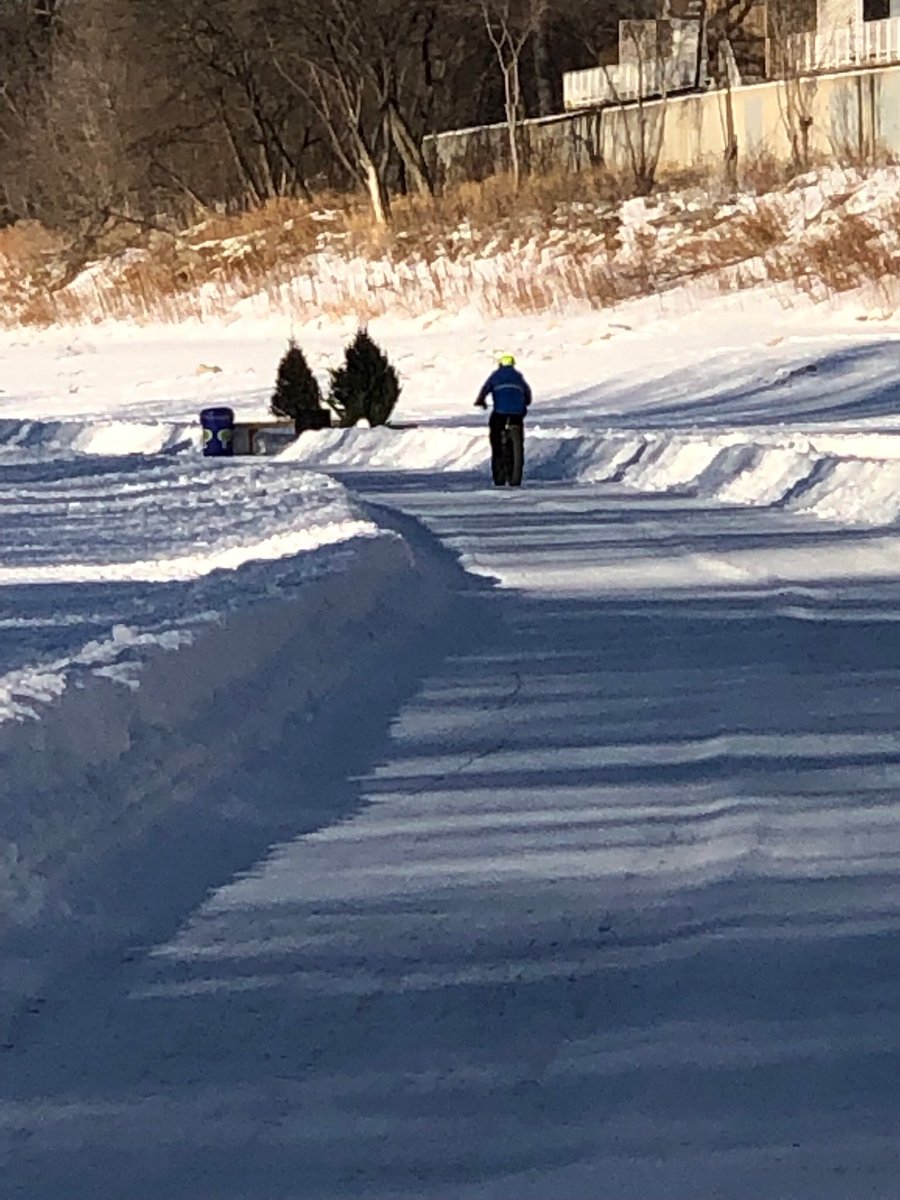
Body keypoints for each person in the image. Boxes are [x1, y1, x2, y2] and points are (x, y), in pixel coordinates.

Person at [474, 353, 532, 486]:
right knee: (518, 437)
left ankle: (499, 475)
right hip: (517, 413)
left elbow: (485, 390)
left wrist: (480, 401)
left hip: (500, 413)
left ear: (500, 364)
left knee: (496, 438)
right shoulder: (518, 377)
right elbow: (528, 394)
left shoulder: (495, 376)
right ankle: (516, 475)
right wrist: (524, 403)